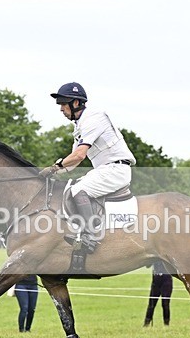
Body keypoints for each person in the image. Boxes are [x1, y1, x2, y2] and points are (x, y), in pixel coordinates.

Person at [39, 82, 136, 254]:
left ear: (76, 103)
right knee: (70, 188)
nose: (61, 109)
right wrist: (54, 173)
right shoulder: (80, 125)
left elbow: (79, 155)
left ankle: (90, 236)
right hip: (105, 170)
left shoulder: (94, 119)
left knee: (77, 191)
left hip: (116, 170)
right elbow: (74, 161)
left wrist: (54, 168)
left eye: (63, 103)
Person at [144, 261, 173, 327]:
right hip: (156, 280)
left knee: (165, 304)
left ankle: (166, 324)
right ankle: (146, 323)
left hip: (166, 280)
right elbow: (147, 265)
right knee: (151, 304)